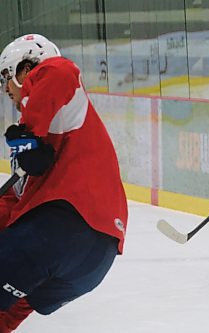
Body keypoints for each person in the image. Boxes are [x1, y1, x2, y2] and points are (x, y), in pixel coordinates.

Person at [0, 34, 128, 332]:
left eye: (7, 77)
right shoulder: (45, 129)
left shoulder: (56, 79)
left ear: (25, 68)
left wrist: (29, 134)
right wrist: (30, 138)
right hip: (92, 263)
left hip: (60, 227)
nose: (6, 88)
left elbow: (59, 70)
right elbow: (14, 202)